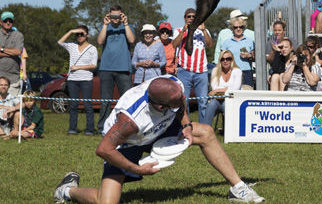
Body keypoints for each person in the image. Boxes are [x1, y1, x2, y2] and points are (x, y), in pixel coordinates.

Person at [53, 75, 264, 204]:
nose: (182, 102)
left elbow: (181, 103)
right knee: (106, 201)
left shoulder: (171, 85)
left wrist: (186, 125)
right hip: (128, 143)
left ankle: (237, 187)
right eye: (175, 103)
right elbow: (103, 149)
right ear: (161, 106)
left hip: (158, 127)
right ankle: (67, 190)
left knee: (206, 132)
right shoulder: (130, 120)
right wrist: (137, 170)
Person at [97, 5, 136, 133]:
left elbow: (131, 40)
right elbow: (100, 41)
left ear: (122, 15)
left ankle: (126, 127)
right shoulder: (105, 27)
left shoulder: (128, 27)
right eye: (113, 16)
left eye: (117, 16)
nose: (115, 19)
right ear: (109, 15)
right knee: (105, 101)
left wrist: (125, 24)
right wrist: (104, 24)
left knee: (126, 100)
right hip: (106, 69)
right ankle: (103, 127)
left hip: (123, 68)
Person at [172, 8, 213, 123]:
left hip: (201, 71)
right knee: (184, 102)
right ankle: (186, 128)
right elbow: (174, 45)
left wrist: (204, 30)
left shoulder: (203, 31)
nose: (191, 18)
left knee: (203, 102)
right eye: (188, 16)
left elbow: (210, 45)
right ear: (185, 18)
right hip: (184, 70)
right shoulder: (179, 30)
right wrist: (183, 31)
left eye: (193, 16)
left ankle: (204, 129)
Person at [58, 25, 98, 135]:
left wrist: (78, 67)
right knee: (73, 105)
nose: (79, 36)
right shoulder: (72, 46)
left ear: (87, 35)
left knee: (87, 105)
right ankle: (72, 129)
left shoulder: (92, 48)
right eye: (77, 34)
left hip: (86, 79)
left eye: (82, 34)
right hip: (72, 80)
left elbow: (93, 65)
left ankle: (89, 130)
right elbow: (60, 42)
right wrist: (70, 31)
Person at [201, 50, 242, 126]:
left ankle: (230, 131)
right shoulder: (215, 71)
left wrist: (218, 91)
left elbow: (235, 90)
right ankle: (205, 130)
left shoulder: (237, 71)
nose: (225, 61)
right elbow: (214, 88)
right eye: (222, 59)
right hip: (217, 100)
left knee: (226, 105)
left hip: (232, 100)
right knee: (211, 104)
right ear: (220, 61)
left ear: (232, 60)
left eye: (228, 59)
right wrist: (227, 89)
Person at [221, 17, 255, 87]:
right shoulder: (226, 42)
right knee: (232, 95)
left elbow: (255, 57)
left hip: (246, 72)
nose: (238, 29)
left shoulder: (250, 41)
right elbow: (221, 59)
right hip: (230, 72)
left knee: (247, 94)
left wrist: (249, 56)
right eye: (235, 27)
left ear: (244, 28)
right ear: (232, 28)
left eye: (241, 27)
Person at [0, 11, 24, 96]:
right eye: (5, 20)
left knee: (12, 107)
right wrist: (12, 52)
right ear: (1, 22)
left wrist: (2, 49)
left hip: (13, 79)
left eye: (10, 21)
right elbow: (15, 52)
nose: (8, 22)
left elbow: (18, 52)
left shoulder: (18, 35)